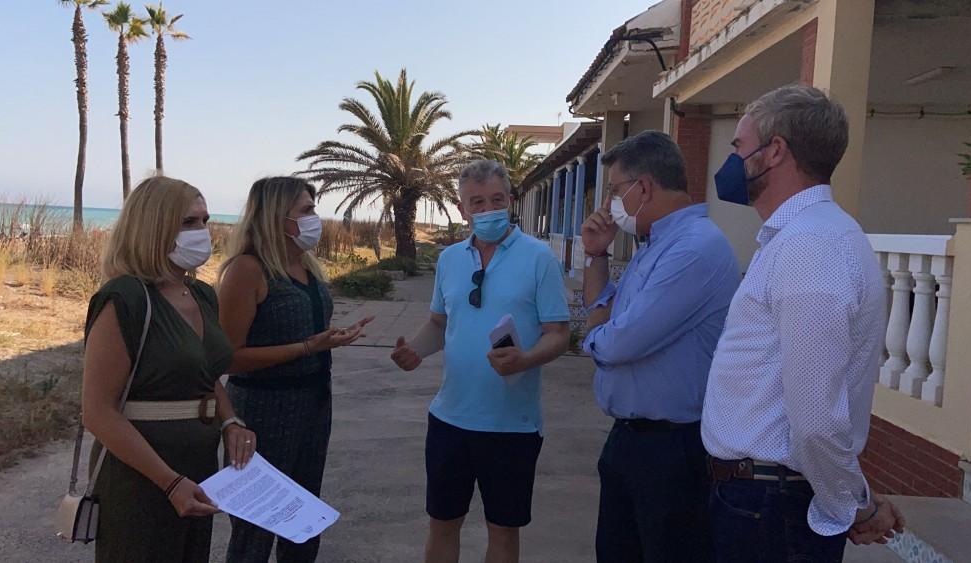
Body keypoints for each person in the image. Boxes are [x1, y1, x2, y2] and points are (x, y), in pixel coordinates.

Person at [701, 84, 905, 562]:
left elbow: (816, 417)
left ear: (774, 152)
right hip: (763, 499)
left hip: (770, 508)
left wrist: (854, 505)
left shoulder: (811, 246)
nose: (733, 161)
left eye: (739, 146)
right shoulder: (801, 239)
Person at [390, 160, 571, 563]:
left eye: (496, 200)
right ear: (462, 209)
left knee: (503, 531)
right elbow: (439, 323)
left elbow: (559, 333)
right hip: (449, 420)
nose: (488, 209)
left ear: (510, 201)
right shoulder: (450, 259)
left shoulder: (539, 258)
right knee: (442, 523)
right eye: (477, 203)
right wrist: (415, 351)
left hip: (512, 426)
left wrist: (525, 359)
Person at [579, 130, 739, 562]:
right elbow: (604, 310)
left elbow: (616, 343)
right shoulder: (656, 246)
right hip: (632, 442)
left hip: (671, 450)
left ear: (644, 187)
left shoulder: (694, 249)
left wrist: (593, 334)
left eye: (616, 191)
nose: (611, 204)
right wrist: (595, 255)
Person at [82, 176, 256, 563]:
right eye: (188, 222)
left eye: (205, 220)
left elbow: (205, 373)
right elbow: (97, 412)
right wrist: (169, 482)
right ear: (154, 227)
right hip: (141, 475)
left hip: (198, 467)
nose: (203, 231)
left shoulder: (203, 294)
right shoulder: (124, 298)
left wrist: (230, 422)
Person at [217, 176, 372, 563]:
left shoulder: (307, 266)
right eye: (306, 210)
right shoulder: (247, 270)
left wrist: (329, 338)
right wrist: (306, 348)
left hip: (314, 405)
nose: (314, 218)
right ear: (276, 216)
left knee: (303, 519)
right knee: (254, 527)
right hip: (262, 412)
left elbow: (306, 332)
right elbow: (227, 357)